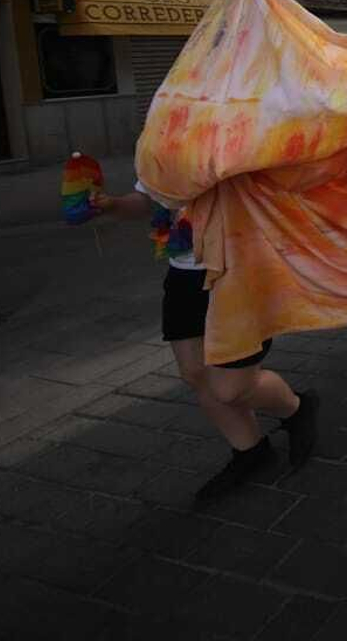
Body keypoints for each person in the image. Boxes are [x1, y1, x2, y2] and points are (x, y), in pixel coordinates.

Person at [91, 188, 320, 501]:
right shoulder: (162, 144)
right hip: (184, 275)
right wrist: (113, 205)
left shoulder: (242, 139)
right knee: (196, 374)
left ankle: (296, 408)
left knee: (231, 388)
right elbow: (148, 198)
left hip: (240, 271)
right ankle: (250, 450)